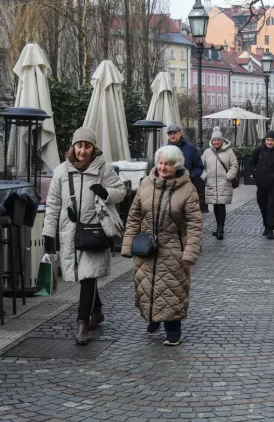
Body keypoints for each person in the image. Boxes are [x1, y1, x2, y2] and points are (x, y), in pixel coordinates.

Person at [43, 127, 127, 345]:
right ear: (73, 147)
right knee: (84, 276)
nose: (82, 150)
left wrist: (105, 192)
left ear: (93, 148)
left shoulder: (104, 169)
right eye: (79, 145)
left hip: (94, 230)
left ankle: (82, 324)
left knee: (88, 278)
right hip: (69, 232)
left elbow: (121, 192)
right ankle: (97, 311)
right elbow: (52, 204)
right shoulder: (61, 171)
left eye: (87, 146)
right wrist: (48, 234)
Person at [121, 145, 202, 346]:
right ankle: (153, 318)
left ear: (177, 165)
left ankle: (173, 330)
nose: (163, 167)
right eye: (161, 163)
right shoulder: (146, 184)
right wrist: (127, 244)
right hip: (146, 247)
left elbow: (194, 223)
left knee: (172, 289)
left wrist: (191, 251)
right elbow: (134, 216)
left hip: (174, 247)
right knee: (147, 285)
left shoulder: (187, 189)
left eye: (168, 164)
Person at [200, 127, 238, 240]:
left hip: (224, 183)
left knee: (221, 206)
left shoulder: (229, 151)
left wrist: (229, 176)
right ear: (212, 141)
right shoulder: (207, 152)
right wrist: (204, 176)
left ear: (222, 140)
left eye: (218, 140)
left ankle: (221, 229)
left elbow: (234, 165)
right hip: (211, 183)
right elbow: (200, 166)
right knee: (215, 206)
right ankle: (218, 227)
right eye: (214, 140)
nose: (216, 142)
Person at [249, 130, 274, 240]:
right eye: (268, 140)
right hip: (261, 183)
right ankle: (266, 224)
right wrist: (255, 173)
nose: (269, 142)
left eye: (272, 140)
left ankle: (270, 229)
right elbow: (251, 162)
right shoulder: (259, 150)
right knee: (262, 205)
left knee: (271, 206)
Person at [167, 124, 205, 210]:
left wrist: (191, 177)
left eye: (175, 133)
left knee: (187, 211)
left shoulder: (190, 148)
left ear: (180, 133)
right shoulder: (164, 149)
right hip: (169, 187)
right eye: (170, 134)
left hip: (187, 186)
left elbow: (199, 167)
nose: (172, 136)